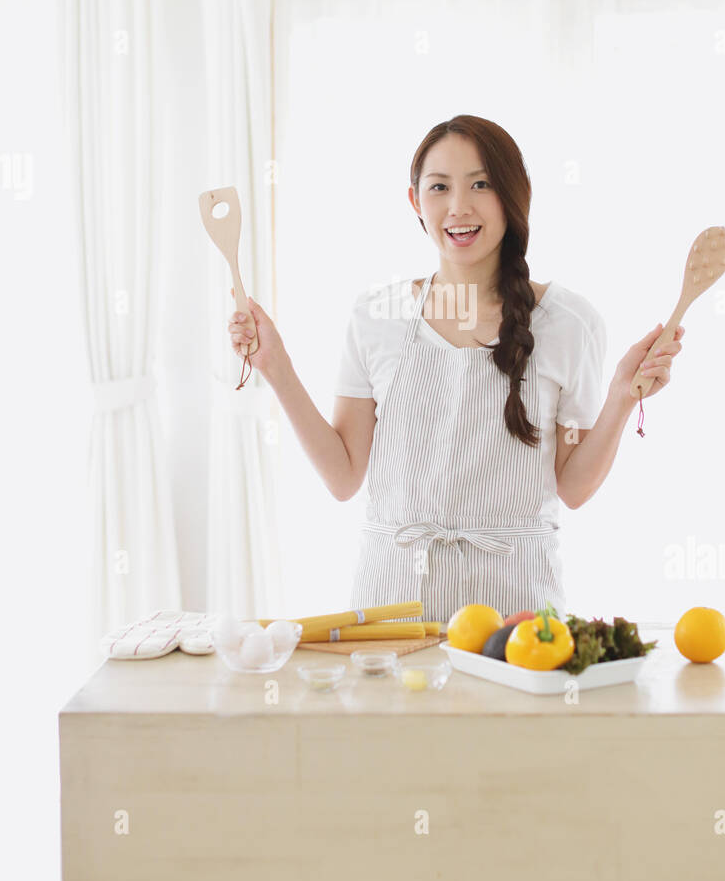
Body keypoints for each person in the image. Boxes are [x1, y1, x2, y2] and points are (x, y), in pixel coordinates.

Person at [227, 115, 683, 622]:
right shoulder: (376, 316)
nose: (458, 208)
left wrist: (622, 396)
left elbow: (573, 488)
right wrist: (276, 365)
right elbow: (343, 477)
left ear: (515, 193)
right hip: (390, 610)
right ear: (415, 201)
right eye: (439, 187)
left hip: (516, 615)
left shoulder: (569, 323)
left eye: (481, 184)